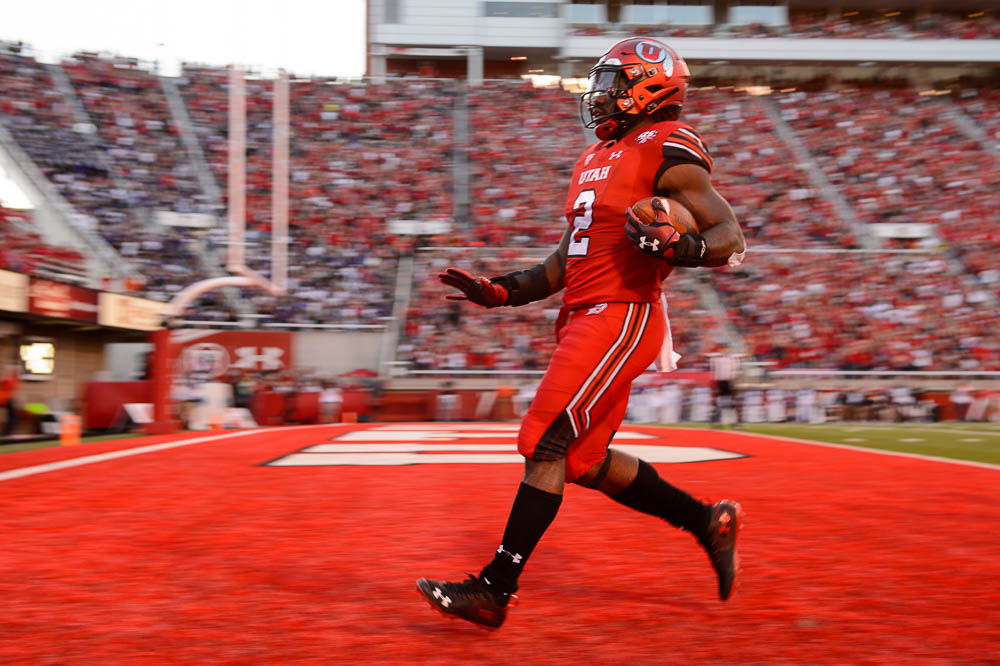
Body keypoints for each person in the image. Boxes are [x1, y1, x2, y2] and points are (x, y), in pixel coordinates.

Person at [416, 37, 747, 630]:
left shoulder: (665, 143)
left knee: (544, 440)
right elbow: (568, 257)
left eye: (615, 82)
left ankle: (496, 588)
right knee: (584, 462)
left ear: (650, 86)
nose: (600, 95)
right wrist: (502, 290)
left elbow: (728, 233)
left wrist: (687, 245)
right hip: (584, 313)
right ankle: (707, 521)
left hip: (623, 313)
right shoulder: (599, 156)